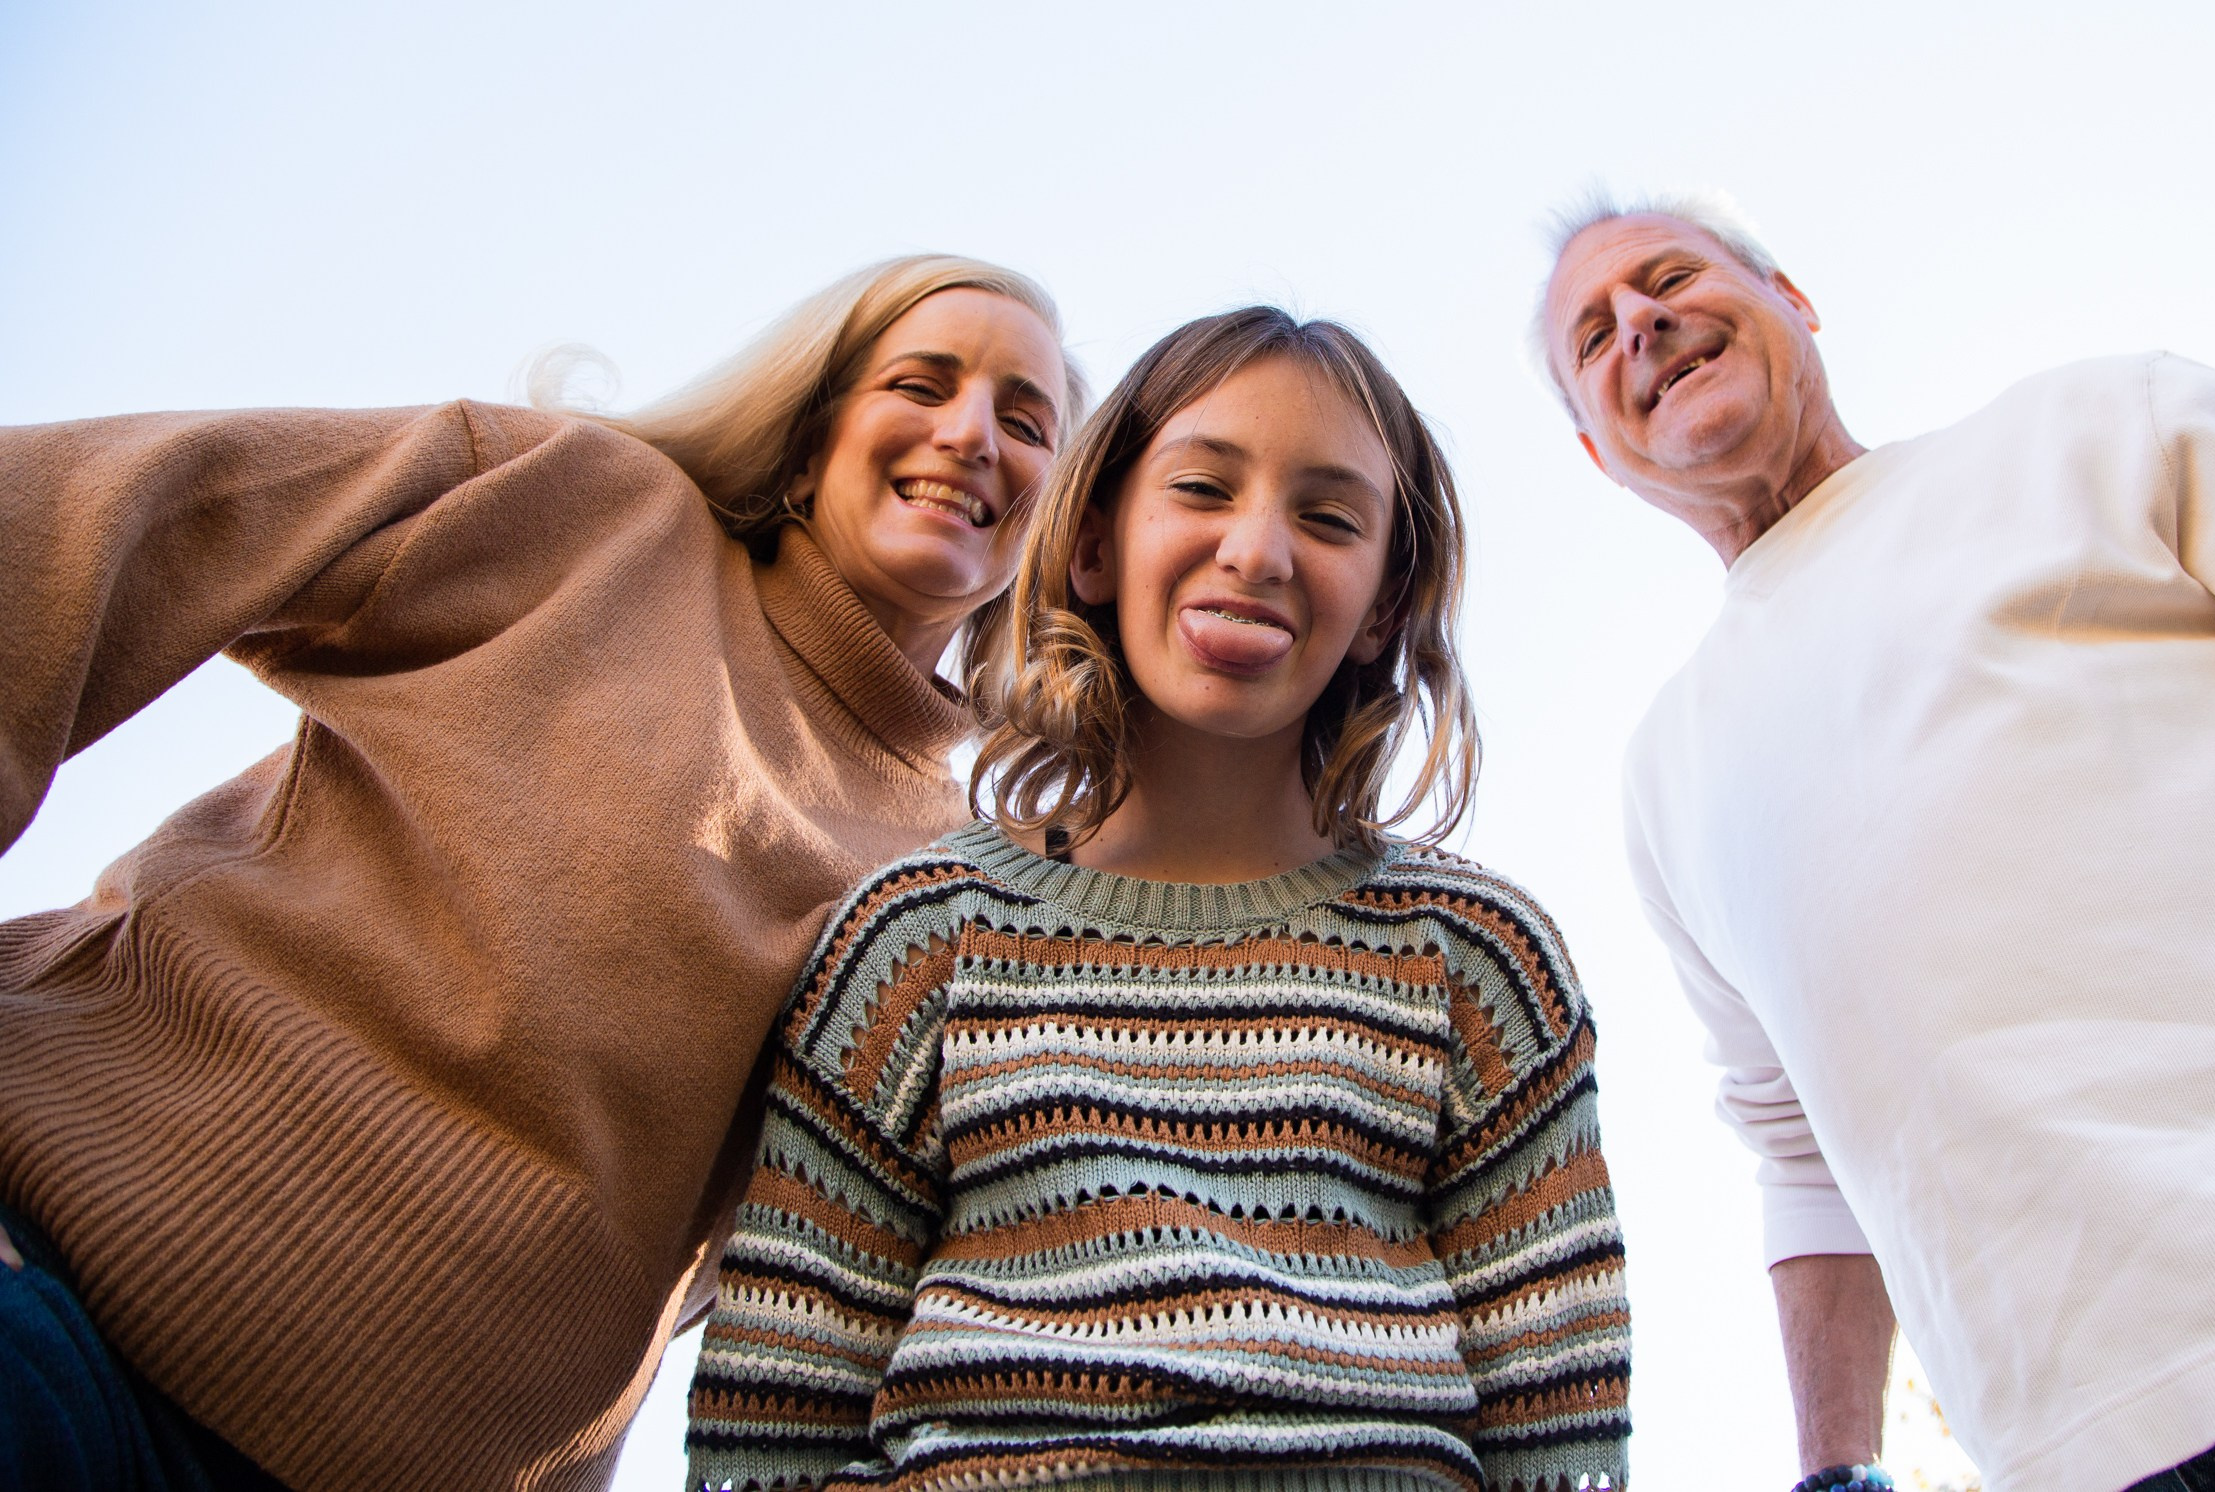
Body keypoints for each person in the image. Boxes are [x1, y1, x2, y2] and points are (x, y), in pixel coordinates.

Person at [0, 254, 1088, 1492]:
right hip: (49, 1309)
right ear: (807, 440)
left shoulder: (968, 887)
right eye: (922, 380)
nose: (969, 435)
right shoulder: (587, 512)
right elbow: (117, 509)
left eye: (1026, 419)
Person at [1537, 195, 2215, 1492]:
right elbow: (1801, 1151)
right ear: (1592, 451)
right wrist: (1834, 1473)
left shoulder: (2085, 428)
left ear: (1793, 299)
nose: (1641, 323)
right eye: (1593, 334)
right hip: (2102, 1453)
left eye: (1668, 277)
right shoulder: (1662, 779)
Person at [683, 308, 1634, 1492]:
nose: (1257, 549)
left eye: (1328, 517)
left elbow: (1561, 1427)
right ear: (1094, 544)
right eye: (1201, 487)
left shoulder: (1480, 960)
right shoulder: (920, 938)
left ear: (1385, 604)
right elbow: (774, 1416)